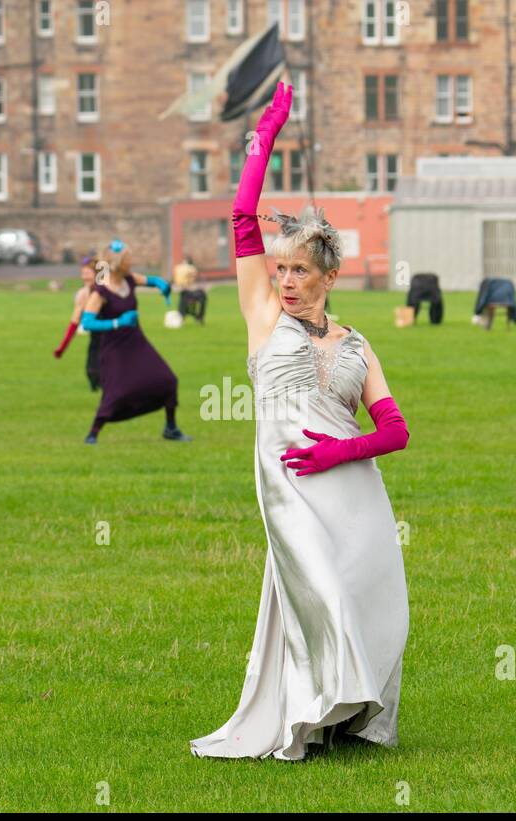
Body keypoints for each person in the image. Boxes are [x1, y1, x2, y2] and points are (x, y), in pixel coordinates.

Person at [190, 83, 410, 761]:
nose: (286, 280)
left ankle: (343, 718)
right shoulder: (262, 317)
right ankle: (305, 720)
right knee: (317, 588)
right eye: (280, 268)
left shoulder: (356, 343)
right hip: (288, 482)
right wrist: (268, 131)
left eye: (301, 271)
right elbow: (240, 214)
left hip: (351, 485)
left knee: (371, 600)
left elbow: (396, 430)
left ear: (329, 276)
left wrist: (340, 455)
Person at [81, 240, 187, 444]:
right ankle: (93, 433)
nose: (132, 262)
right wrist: (116, 322)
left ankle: (171, 428)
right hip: (114, 348)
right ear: (118, 263)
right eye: (128, 259)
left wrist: (160, 284)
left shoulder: (129, 279)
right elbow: (87, 322)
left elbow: (149, 280)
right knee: (116, 392)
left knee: (168, 380)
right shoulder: (101, 291)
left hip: (136, 343)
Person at [53, 255, 103, 390]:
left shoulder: (106, 291)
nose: (84, 277)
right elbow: (74, 323)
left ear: (97, 274)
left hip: (114, 338)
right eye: (82, 273)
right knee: (92, 373)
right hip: (96, 339)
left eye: (87, 273)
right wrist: (62, 347)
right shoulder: (82, 294)